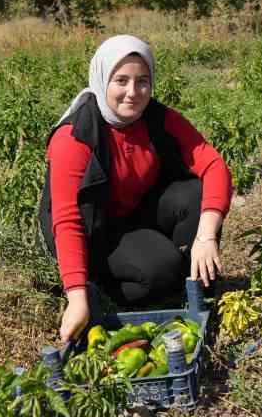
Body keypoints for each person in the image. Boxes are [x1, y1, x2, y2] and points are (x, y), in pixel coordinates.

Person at [40, 35, 232, 344]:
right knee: (160, 270)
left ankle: (197, 292)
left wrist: (206, 236)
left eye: (142, 81)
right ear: (102, 80)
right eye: (121, 80)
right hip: (93, 231)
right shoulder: (75, 138)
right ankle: (102, 286)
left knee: (194, 193)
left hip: (133, 213)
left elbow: (213, 166)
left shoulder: (157, 119)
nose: (133, 92)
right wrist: (77, 296)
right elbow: (67, 220)